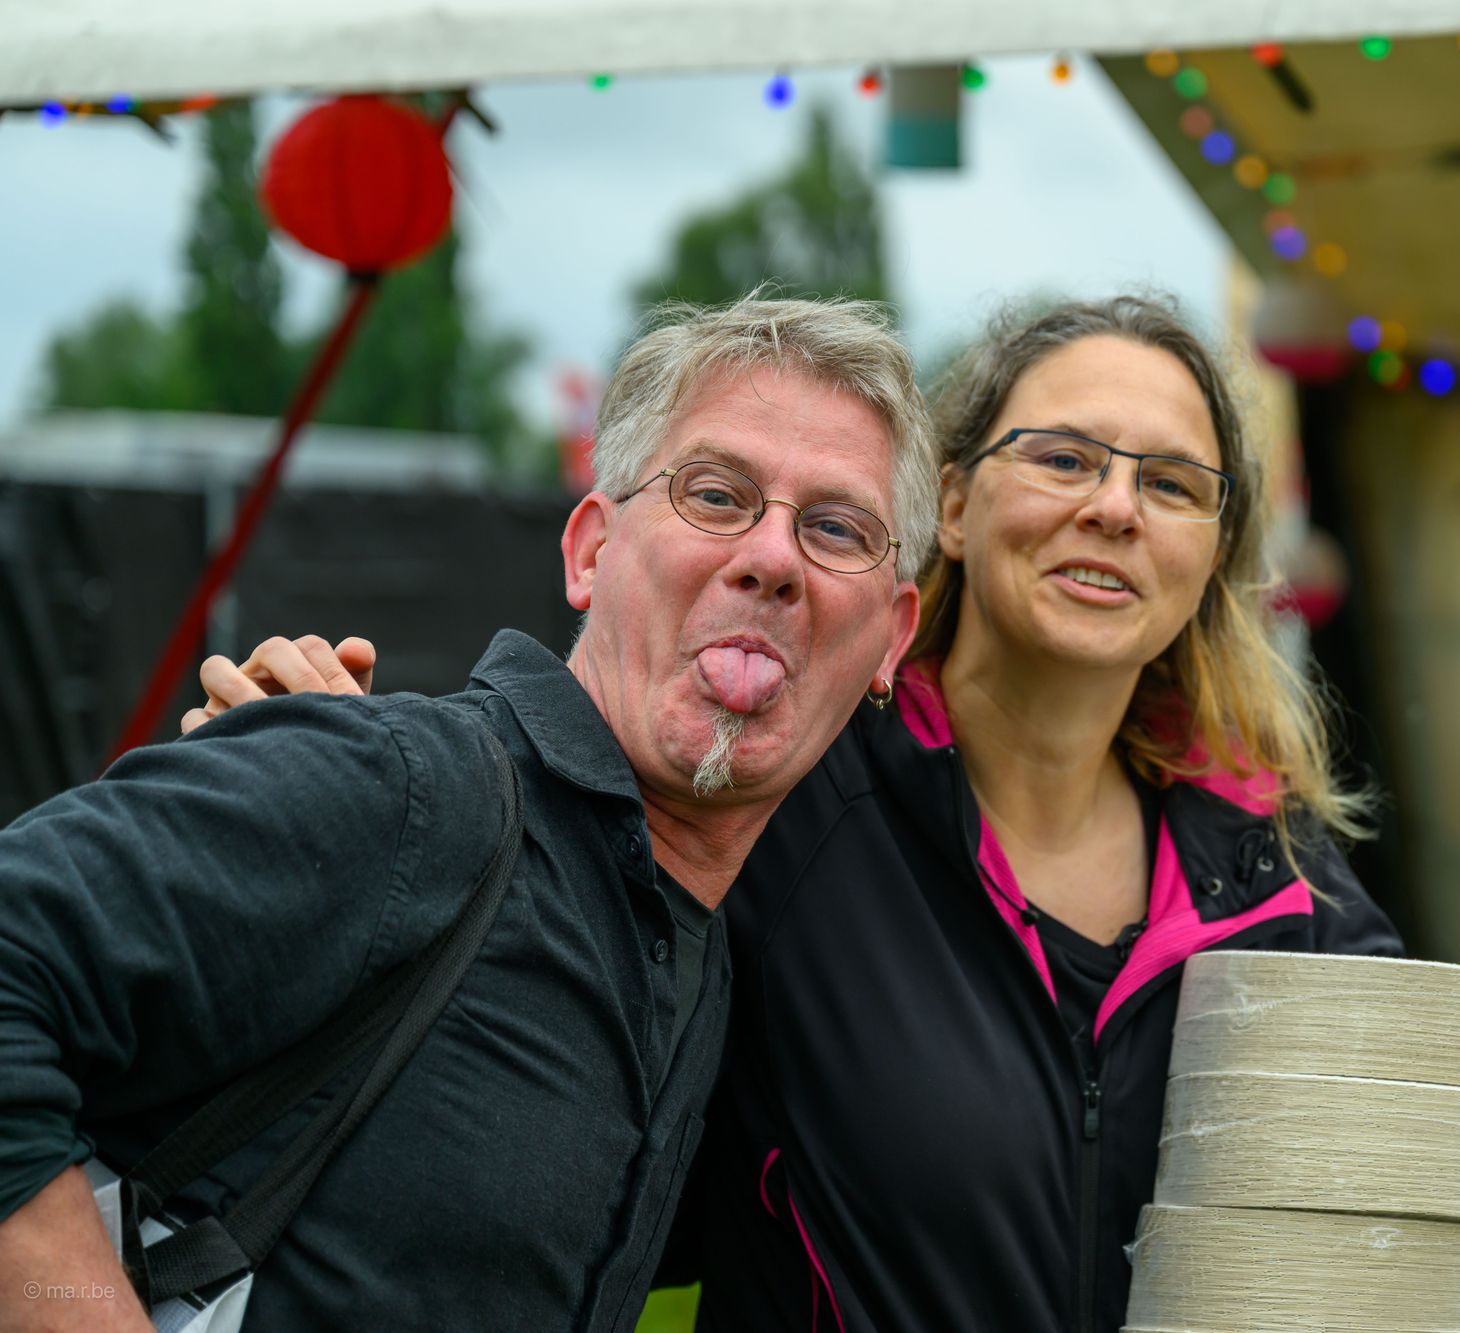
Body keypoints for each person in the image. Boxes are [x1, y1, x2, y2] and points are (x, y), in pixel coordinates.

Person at [186, 295, 1460, 1332]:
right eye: (1065, 457)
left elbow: (1454, 1225)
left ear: (1213, 553)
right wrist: (327, 767)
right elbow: (541, 834)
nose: (1114, 507)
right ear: (950, 509)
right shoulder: (786, 795)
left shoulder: (1270, 879)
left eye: (1170, 483)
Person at [0, 295, 929, 1332]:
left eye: (836, 528)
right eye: (715, 494)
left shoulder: (699, 966)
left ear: (893, 638)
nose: (773, 558)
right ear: (590, 551)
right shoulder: (407, 787)